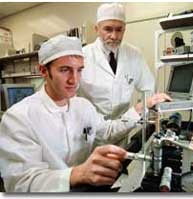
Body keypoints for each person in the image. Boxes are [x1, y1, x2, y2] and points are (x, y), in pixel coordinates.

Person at [0, 35, 168, 192]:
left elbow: (107, 131)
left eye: (79, 70)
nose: (74, 80)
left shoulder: (83, 106)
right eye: (65, 70)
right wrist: (77, 174)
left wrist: (142, 107)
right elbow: (20, 183)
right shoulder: (19, 117)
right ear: (44, 71)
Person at [79, 3, 170, 146]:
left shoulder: (134, 54)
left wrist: (142, 110)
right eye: (108, 29)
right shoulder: (82, 56)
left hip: (122, 131)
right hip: (90, 135)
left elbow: (148, 87)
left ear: (124, 29)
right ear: (97, 29)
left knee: (119, 167)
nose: (114, 36)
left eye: (119, 30)